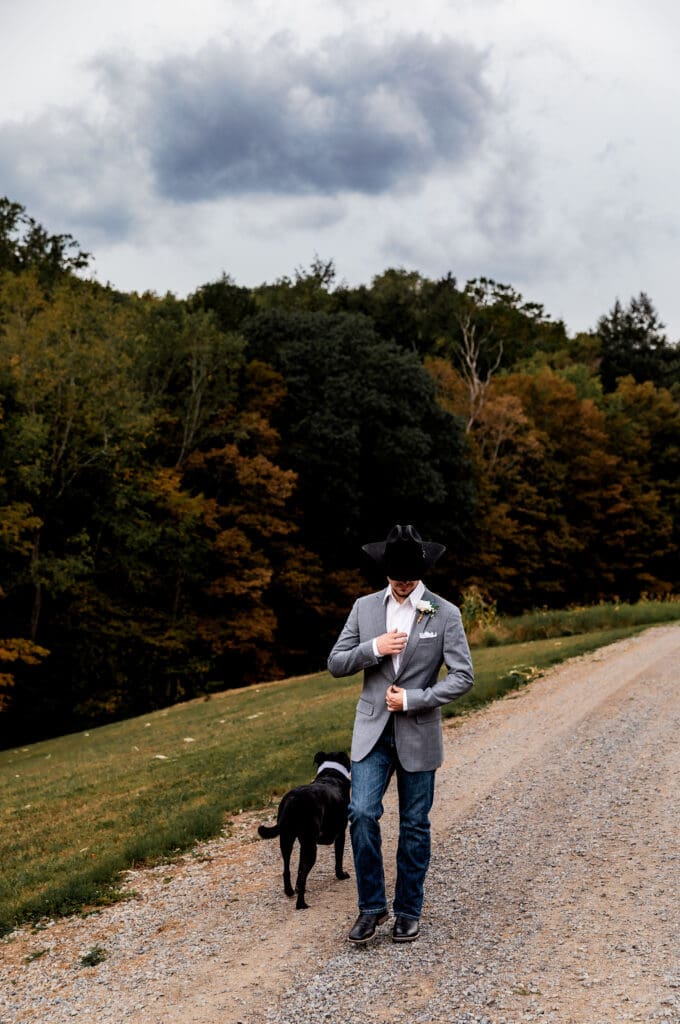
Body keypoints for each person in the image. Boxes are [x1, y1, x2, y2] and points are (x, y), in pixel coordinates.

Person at [327, 524, 474, 944]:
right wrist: (374, 648)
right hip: (371, 732)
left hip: (418, 731)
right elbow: (335, 662)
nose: (404, 585)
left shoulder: (445, 613)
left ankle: (409, 910)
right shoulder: (364, 608)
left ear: (423, 570)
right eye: (396, 577)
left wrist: (414, 699)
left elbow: (463, 677)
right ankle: (371, 908)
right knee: (361, 813)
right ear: (385, 571)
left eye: (410, 578)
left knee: (413, 824)